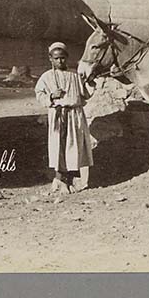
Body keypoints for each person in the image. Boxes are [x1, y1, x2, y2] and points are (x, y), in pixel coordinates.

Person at [34, 41, 94, 193]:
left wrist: (90, 83)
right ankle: (60, 180)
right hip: (58, 115)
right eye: (56, 58)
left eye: (62, 58)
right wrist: (52, 96)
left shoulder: (75, 75)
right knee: (59, 148)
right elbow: (39, 94)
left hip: (75, 115)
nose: (60, 61)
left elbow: (85, 94)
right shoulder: (46, 77)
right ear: (50, 59)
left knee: (74, 146)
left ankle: (74, 180)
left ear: (66, 58)